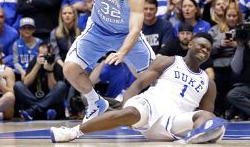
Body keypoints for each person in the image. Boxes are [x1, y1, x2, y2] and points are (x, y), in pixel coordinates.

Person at [50, 33, 226, 144]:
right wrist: (127, 105)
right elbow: (138, 85)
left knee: (209, 118)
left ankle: (192, 139)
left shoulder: (208, 82)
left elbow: (206, 113)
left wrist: (205, 124)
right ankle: (73, 132)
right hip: (149, 106)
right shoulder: (169, 61)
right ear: (190, 45)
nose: (205, 50)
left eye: (208, 49)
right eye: (201, 46)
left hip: (173, 120)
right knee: (130, 114)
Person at [63, 0, 155, 123]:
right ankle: (95, 102)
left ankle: (160, 110)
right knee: (69, 69)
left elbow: (135, 30)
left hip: (125, 35)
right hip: (98, 30)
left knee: (155, 75)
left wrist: (121, 53)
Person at [14, 42, 68, 120]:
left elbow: (54, 89)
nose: (45, 56)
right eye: (42, 48)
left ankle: (34, 110)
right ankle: (42, 110)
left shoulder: (55, 64)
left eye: (47, 50)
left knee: (61, 85)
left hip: (50, 102)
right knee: (18, 85)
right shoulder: (34, 61)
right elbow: (26, 83)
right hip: (34, 97)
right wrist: (37, 65)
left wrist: (50, 71)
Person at [227, 27, 250, 120]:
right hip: (247, 86)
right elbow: (236, 69)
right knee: (233, 95)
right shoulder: (244, 48)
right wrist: (240, 47)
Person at [13, 17, 43, 81]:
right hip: (21, 74)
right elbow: (16, 62)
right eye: (24, 28)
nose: (27, 30)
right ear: (20, 30)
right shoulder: (16, 44)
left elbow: (42, 61)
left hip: (36, 73)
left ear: (34, 30)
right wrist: (22, 72)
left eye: (29, 28)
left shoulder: (40, 43)